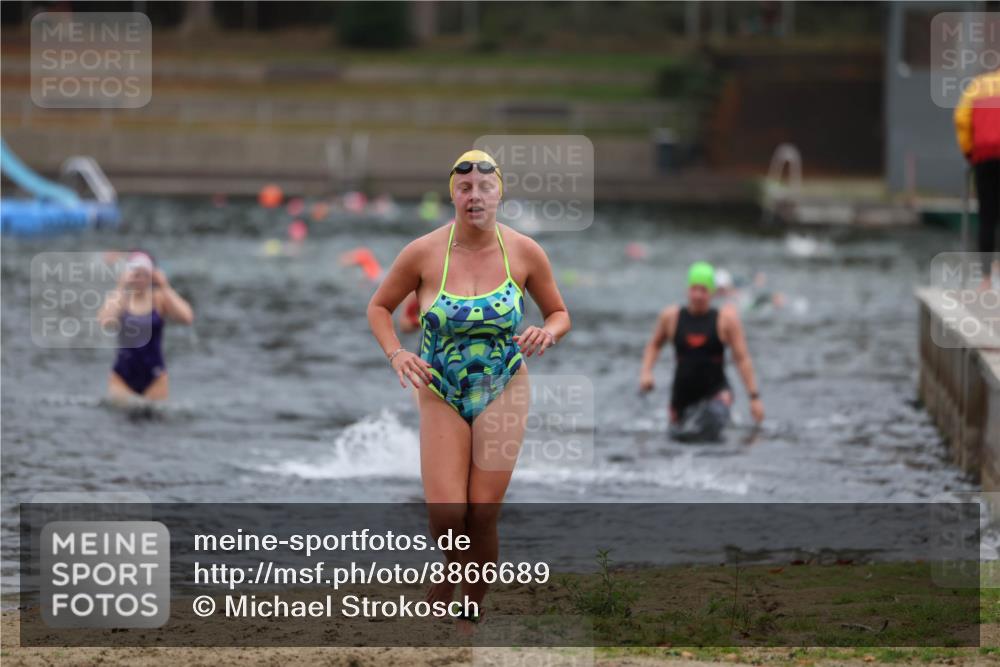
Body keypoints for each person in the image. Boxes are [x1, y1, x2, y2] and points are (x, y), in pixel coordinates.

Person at [367, 149, 570, 626]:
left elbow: (560, 313)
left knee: (481, 512)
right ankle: (449, 569)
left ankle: (468, 610)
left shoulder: (524, 251)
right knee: (445, 514)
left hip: (504, 385)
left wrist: (549, 331)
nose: (474, 196)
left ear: (500, 193)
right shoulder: (422, 252)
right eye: (464, 189)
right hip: (440, 388)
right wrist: (397, 352)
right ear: (452, 194)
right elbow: (379, 307)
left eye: (484, 188)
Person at [639, 261, 764, 441]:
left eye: (703, 290)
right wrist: (646, 372)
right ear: (687, 289)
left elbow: (742, 358)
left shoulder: (725, 321)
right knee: (679, 440)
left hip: (717, 392)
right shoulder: (671, 317)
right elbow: (654, 345)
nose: (698, 295)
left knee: (711, 423)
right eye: (694, 289)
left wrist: (754, 398)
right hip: (681, 396)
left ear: (712, 292)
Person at [98, 251, 194, 401]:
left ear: (151, 276)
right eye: (136, 274)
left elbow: (187, 317)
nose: (140, 279)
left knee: (156, 420)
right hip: (122, 376)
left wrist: (165, 286)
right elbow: (104, 321)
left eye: (144, 275)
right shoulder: (122, 299)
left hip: (155, 376)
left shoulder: (159, 299)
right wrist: (120, 286)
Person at [954, 66, 1000, 287]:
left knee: (987, 216)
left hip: (984, 158)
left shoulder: (977, 86)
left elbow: (961, 118)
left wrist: (969, 151)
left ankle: (985, 279)